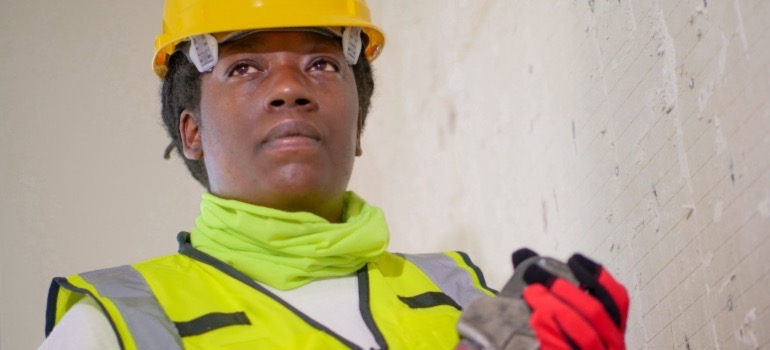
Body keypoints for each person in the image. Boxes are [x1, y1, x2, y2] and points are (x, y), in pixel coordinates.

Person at [41, 1, 628, 349]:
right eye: (244, 67)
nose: (291, 88)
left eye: (321, 63)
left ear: (359, 121)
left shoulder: (462, 299)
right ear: (191, 131)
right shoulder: (114, 325)